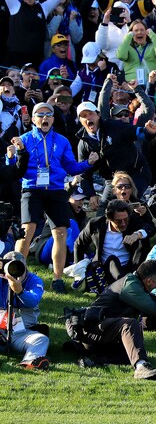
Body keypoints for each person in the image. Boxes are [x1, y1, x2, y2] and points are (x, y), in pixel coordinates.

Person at [17, 103, 98, 293]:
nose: (45, 118)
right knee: (27, 231)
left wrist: (88, 163)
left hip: (55, 189)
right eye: (40, 115)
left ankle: (57, 279)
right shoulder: (25, 139)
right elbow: (14, 165)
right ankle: (17, 274)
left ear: (53, 119)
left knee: (61, 233)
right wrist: (11, 155)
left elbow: (70, 167)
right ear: (34, 119)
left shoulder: (62, 141)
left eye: (48, 115)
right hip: (32, 189)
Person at [72, 260, 156, 380]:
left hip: (103, 332)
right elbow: (155, 309)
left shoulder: (136, 283)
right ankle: (141, 367)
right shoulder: (130, 287)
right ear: (149, 281)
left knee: (130, 352)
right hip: (93, 331)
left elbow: (155, 308)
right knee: (130, 324)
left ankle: (93, 359)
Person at [74, 199, 154, 288]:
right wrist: (79, 272)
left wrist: (137, 234)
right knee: (112, 259)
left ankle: (127, 284)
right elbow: (79, 244)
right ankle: (125, 286)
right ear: (109, 218)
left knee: (143, 239)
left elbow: (150, 228)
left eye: (125, 219)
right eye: (119, 221)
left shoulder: (133, 222)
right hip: (104, 269)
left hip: (129, 267)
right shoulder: (96, 224)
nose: (123, 224)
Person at [0, 252, 50, 371]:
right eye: (11, 267)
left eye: (19, 266)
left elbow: (33, 301)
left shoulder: (34, 280)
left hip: (21, 333)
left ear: (26, 266)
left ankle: (30, 362)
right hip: (1, 328)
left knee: (42, 339)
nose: (16, 271)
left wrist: (20, 291)